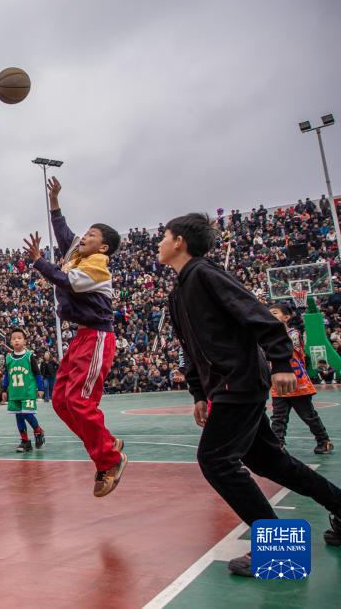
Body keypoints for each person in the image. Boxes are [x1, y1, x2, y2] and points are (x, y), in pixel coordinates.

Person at [160, 212, 341, 576]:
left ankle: (277, 548)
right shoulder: (177, 293)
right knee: (268, 461)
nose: (159, 243)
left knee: (215, 460)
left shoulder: (206, 274)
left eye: (164, 236)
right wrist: (198, 393)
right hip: (226, 385)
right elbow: (190, 349)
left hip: (238, 381)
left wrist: (281, 362)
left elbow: (258, 315)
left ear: (179, 241)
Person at [23, 177, 125, 497]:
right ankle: (107, 444)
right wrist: (54, 201)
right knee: (60, 401)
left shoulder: (97, 266)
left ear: (103, 246)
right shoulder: (79, 254)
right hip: (81, 336)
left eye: (91, 235)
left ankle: (109, 459)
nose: (84, 236)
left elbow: (67, 281)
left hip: (97, 336)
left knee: (80, 401)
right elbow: (63, 231)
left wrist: (39, 261)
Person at [267, 303, 333, 455]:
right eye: (268, 313)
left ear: (286, 317)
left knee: (308, 416)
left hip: (298, 382)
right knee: (278, 417)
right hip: (279, 383)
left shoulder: (293, 334)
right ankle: (278, 445)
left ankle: (324, 441)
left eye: (274, 313)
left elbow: (286, 348)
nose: (270, 316)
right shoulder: (269, 337)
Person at [2, 329, 46, 453]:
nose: (16, 340)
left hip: (28, 392)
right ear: (11, 342)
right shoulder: (8, 358)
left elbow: (37, 373)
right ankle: (25, 441)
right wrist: (4, 389)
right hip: (15, 393)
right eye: (14, 338)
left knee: (27, 413)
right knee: (18, 416)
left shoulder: (29, 356)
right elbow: (6, 375)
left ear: (25, 341)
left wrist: (40, 388)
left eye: (19, 338)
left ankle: (38, 431)